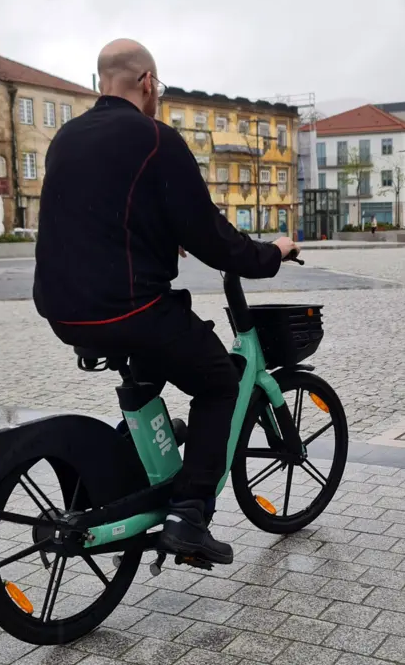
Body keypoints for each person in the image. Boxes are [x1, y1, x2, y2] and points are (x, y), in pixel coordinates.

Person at [33, 39, 298, 565]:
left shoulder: (65, 137)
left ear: (99, 81)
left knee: (156, 363)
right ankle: (188, 515)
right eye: (159, 88)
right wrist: (272, 254)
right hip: (127, 308)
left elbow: (100, 218)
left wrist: (155, 237)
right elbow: (212, 234)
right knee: (219, 381)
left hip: (62, 309)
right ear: (148, 82)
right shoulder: (155, 139)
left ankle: (138, 469)